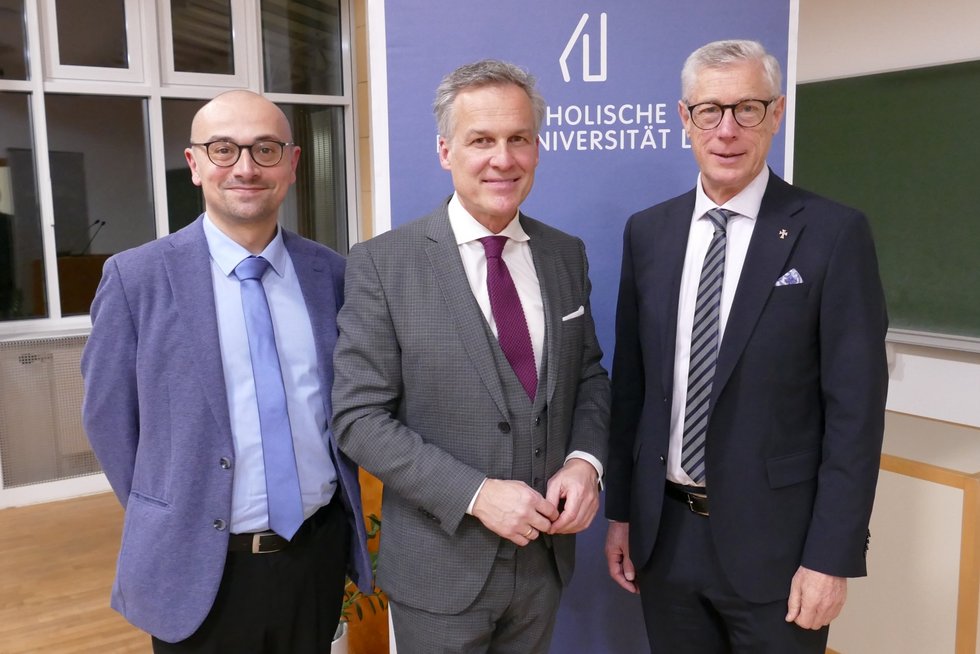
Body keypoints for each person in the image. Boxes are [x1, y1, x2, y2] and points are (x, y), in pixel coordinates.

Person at [604, 40, 888, 653]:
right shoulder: (648, 233)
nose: (727, 130)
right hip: (665, 539)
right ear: (685, 119)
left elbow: (855, 414)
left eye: (747, 109)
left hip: (780, 550)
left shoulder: (833, 234)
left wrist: (831, 556)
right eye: (709, 110)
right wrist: (622, 513)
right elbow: (632, 388)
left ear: (776, 114)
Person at [332, 59, 610, 653]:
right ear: (445, 151)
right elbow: (358, 419)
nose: (502, 159)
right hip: (440, 571)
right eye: (481, 140)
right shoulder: (383, 264)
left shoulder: (565, 255)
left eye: (518, 139)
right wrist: (477, 494)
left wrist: (585, 461)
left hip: (544, 566)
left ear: (537, 148)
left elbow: (588, 377)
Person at [81, 89, 372, 653]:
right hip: (196, 566)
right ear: (194, 164)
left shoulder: (332, 276)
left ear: (292, 163)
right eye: (223, 149)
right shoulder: (136, 279)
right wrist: (172, 509)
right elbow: (109, 422)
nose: (245, 168)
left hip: (313, 558)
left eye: (265, 149)